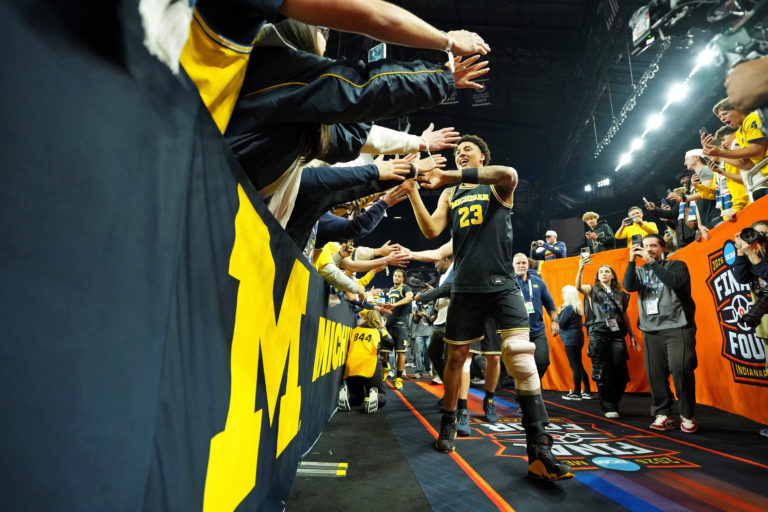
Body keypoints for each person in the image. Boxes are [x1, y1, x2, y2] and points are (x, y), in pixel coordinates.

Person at [405, 134, 573, 480]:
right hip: (466, 286)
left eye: (467, 149)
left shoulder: (496, 184)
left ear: (483, 156)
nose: (460, 153)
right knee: (456, 358)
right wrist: (412, 192)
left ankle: (540, 448)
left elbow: (510, 173)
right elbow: (432, 229)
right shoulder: (451, 194)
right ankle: (450, 420)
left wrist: (447, 176)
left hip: (501, 283)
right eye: (457, 151)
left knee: (520, 355)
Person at [623, 234, 698, 433]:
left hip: (678, 326)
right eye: (645, 246)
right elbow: (628, 286)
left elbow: (673, 282)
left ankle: (687, 414)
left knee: (680, 368)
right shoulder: (640, 271)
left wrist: (651, 263)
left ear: (663, 248)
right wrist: (631, 260)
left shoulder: (676, 265)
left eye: (653, 245)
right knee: (655, 373)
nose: (649, 249)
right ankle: (663, 413)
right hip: (651, 329)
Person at [576, 259, 639, 418]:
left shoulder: (621, 294)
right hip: (598, 332)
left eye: (607, 271)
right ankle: (609, 405)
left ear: (612, 275)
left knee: (620, 371)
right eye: (601, 272)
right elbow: (578, 287)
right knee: (603, 371)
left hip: (617, 334)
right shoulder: (592, 290)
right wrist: (580, 269)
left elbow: (624, 315)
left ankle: (614, 401)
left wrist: (631, 333)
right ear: (598, 276)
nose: (604, 273)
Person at [731, 220, 768, 438]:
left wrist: (754, 255)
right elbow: (741, 278)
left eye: (763, 234)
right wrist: (741, 253)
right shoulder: (751, 254)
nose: (759, 238)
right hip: (764, 323)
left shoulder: (759, 257)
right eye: (756, 234)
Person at [512, 254, 559, 379]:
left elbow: (550, 304)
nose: (521, 265)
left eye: (523, 263)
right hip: (517, 331)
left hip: (538, 330)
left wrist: (555, 321)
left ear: (528, 265)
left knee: (543, 361)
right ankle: (523, 386)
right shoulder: (509, 283)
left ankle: (532, 384)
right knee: (517, 364)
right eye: (518, 263)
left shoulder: (539, 282)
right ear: (513, 265)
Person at [338, 310, 394, 414]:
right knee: (382, 397)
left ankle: (348, 397)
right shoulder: (380, 331)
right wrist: (384, 328)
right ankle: (375, 397)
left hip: (352, 367)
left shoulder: (355, 330)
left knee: (357, 399)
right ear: (379, 319)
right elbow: (391, 344)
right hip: (370, 366)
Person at [556, 285, 591, 401]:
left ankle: (576, 393)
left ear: (567, 295)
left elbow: (561, 323)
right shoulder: (576, 307)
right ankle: (587, 391)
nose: (562, 295)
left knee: (574, 365)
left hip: (571, 339)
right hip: (577, 338)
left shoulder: (568, 308)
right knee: (578, 364)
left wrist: (559, 312)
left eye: (563, 293)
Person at [383, 269, 414, 390]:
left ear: (403, 279)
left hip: (400, 324)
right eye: (395, 275)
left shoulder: (405, 288)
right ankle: (385, 367)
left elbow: (409, 298)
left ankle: (399, 379)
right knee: (383, 350)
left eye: (399, 276)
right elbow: (390, 305)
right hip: (389, 323)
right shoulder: (391, 289)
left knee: (400, 352)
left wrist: (394, 305)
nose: (396, 278)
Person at [409, 301, 433, 379]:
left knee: (429, 353)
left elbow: (432, 321)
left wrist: (425, 315)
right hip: (419, 334)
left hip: (429, 333)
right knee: (418, 354)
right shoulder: (416, 308)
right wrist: (415, 314)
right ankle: (419, 371)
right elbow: (415, 321)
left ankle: (429, 369)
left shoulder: (432, 307)